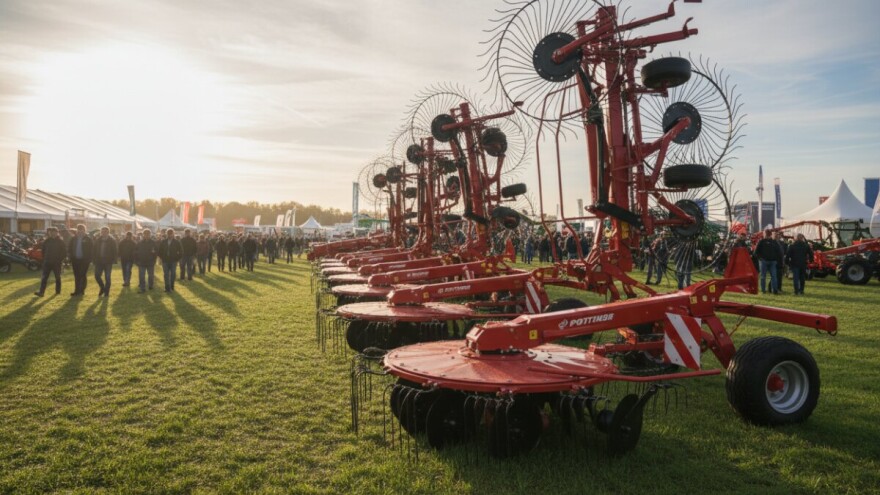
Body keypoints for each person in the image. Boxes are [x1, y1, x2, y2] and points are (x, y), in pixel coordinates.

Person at [34, 227, 65, 297]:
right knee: (44, 277)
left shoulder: (60, 241)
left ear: (57, 233)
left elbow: (64, 253)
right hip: (47, 262)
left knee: (57, 277)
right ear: (50, 233)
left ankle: (58, 291)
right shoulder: (47, 241)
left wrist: (59, 260)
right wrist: (45, 259)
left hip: (57, 263)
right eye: (51, 232)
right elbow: (43, 251)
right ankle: (41, 292)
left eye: (54, 232)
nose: (53, 234)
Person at [67, 223, 93, 296]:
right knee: (77, 275)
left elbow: (91, 250)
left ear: (84, 230)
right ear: (77, 230)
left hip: (85, 260)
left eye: (82, 230)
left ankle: (82, 290)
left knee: (82, 274)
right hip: (75, 260)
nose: (80, 231)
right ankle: (77, 290)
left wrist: (90, 259)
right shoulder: (73, 238)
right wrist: (69, 256)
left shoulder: (88, 239)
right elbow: (69, 248)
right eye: (79, 230)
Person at [754, 229, 783, 294]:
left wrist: (760, 258)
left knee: (766, 276)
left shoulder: (763, 241)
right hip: (766, 261)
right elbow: (756, 252)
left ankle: (767, 290)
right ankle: (771, 290)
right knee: (771, 276)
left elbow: (756, 252)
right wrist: (760, 258)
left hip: (770, 261)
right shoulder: (764, 241)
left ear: (765, 234)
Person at [93, 226, 118, 297]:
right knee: (97, 276)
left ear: (108, 232)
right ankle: (102, 287)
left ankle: (106, 292)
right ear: (100, 232)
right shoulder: (98, 240)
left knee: (107, 277)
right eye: (102, 231)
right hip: (99, 261)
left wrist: (114, 260)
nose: (103, 233)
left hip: (108, 262)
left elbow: (115, 251)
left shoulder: (112, 240)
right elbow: (94, 250)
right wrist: (94, 259)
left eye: (105, 232)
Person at [134, 229, 158, 293]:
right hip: (141, 262)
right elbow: (135, 252)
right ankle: (142, 288)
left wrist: (154, 260)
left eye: (148, 234)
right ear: (143, 235)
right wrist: (136, 261)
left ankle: (150, 285)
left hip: (150, 262)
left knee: (151, 275)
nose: (147, 235)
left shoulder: (153, 243)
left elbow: (156, 252)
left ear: (150, 235)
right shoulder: (139, 243)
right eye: (145, 234)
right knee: (141, 276)